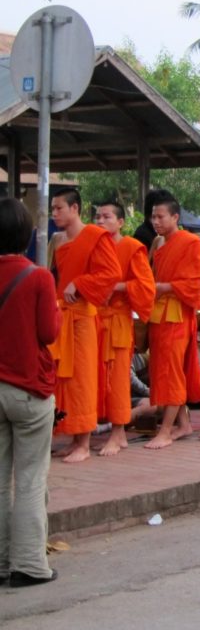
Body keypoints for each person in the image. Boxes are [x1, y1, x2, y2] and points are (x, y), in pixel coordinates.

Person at [0, 198, 61, 587]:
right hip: (28, 389)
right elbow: (48, 334)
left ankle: (2, 561)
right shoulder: (38, 277)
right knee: (30, 478)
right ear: (27, 235)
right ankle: (28, 565)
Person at [48, 188, 120, 463]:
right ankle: (73, 435)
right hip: (64, 317)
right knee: (65, 380)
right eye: (52, 209)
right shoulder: (58, 239)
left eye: (59, 208)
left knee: (83, 380)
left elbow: (111, 274)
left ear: (75, 208)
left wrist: (80, 283)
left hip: (83, 317)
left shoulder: (94, 236)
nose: (54, 214)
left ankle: (85, 442)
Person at [94, 200, 156, 456]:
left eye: (106, 217)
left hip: (118, 321)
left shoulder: (132, 247)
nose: (100, 221)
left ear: (120, 222)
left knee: (118, 379)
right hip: (96, 321)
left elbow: (145, 287)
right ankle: (89, 430)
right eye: (97, 217)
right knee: (96, 378)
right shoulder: (93, 247)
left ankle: (119, 433)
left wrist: (117, 287)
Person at [147, 192, 200, 450]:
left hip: (177, 316)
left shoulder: (191, 242)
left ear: (175, 217)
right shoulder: (158, 244)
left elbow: (196, 283)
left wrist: (165, 286)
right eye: (153, 217)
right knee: (164, 371)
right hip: (158, 315)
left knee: (171, 372)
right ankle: (183, 424)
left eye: (161, 216)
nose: (156, 222)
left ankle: (165, 430)